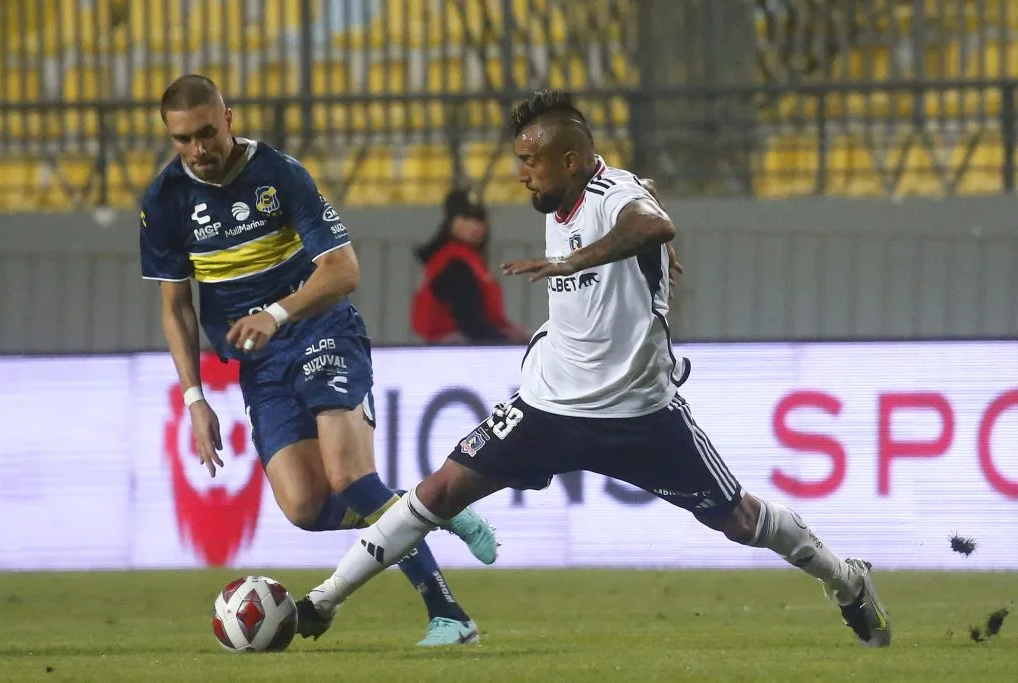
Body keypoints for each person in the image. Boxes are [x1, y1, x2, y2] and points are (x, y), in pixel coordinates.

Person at [295, 90, 892, 648]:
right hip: (548, 407)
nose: (520, 172)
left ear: (573, 160)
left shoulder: (612, 197)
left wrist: (580, 258)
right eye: (519, 159)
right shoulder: (564, 194)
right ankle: (321, 602)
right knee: (441, 489)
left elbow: (651, 223)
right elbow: (644, 212)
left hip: (639, 416)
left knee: (738, 520)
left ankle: (846, 579)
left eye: (531, 160)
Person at [139, 74, 497, 647]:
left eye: (207, 132)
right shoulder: (164, 202)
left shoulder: (279, 175)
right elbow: (176, 307)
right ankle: (429, 507)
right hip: (259, 362)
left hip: (319, 330)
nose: (198, 149)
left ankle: (449, 615)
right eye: (183, 139)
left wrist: (276, 313)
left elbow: (344, 270)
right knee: (306, 506)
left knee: (350, 478)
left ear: (229, 119)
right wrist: (194, 397)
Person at [411, 187, 528, 344]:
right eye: (466, 218)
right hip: (455, 349)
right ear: (451, 222)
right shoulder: (455, 264)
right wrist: (507, 339)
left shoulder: (461, 257)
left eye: (480, 219)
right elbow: (471, 324)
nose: (476, 226)